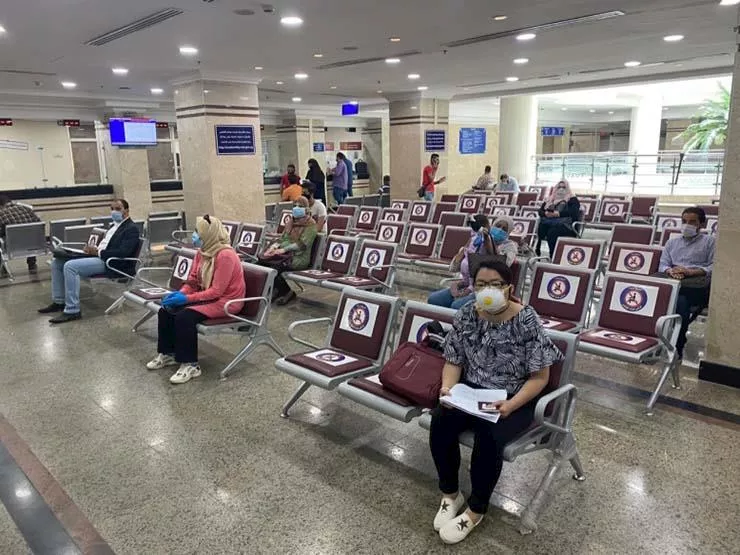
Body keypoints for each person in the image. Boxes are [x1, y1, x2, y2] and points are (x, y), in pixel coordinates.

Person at [429, 260, 562, 544]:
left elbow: (540, 378)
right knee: (440, 420)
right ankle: (450, 494)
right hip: (472, 391)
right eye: (481, 285)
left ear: (509, 288)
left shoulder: (527, 319)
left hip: (515, 395)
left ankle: (476, 509)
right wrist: (448, 389)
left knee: (489, 436)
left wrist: (511, 405)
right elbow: (454, 360)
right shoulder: (467, 313)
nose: (487, 290)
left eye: (495, 284)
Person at [147, 215, 246, 384]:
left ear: (208, 234)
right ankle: (168, 353)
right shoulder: (202, 252)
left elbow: (217, 291)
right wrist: (181, 293)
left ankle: (191, 364)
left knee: (185, 316)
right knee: (166, 310)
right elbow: (193, 280)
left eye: (197, 232)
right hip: (209, 297)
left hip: (227, 302)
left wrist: (186, 299)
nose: (194, 235)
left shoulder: (225, 255)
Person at [38, 199, 139, 324]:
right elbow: (105, 245)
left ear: (127, 211)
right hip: (99, 256)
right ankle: (59, 301)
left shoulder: (131, 228)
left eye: (118, 209)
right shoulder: (113, 226)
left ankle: (72, 310)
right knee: (57, 262)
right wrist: (90, 249)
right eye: (112, 209)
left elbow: (123, 252)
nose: (114, 212)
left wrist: (98, 252)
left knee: (70, 266)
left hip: (112, 263)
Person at [658, 206, 715, 360]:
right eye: (684, 221)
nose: (687, 225)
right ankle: (654, 339)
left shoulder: (710, 242)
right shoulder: (672, 242)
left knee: (680, 301)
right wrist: (670, 270)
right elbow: (663, 264)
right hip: (674, 279)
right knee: (667, 296)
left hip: (696, 284)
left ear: (702, 224)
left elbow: (714, 266)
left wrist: (691, 271)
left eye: (692, 222)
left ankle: (677, 345)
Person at [428, 215, 517, 310]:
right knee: (434, 299)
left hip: (488, 288)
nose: (500, 230)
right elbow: (453, 268)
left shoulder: (510, 247)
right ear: (492, 226)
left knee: (456, 306)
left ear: (508, 232)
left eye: (504, 229)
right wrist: (463, 252)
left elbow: (503, 265)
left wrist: (489, 243)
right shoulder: (476, 239)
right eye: (498, 226)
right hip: (467, 284)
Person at [259, 196, 318, 305]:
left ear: (306, 209)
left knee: (275, 268)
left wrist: (284, 249)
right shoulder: (291, 222)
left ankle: (287, 292)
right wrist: (274, 247)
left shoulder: (311, 225)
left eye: (300, 206)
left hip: (299, 257)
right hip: (285, 255)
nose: (296, 208)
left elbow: (302, 245)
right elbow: (282, 239)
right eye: (295, 205)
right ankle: (276, 290)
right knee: (262, 263)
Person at [536, 179, 580, 256]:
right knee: (541, 227)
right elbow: (540, 211)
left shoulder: (572, 199)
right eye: (559, 187)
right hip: (551, 223)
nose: (561, 189)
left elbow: (573, 212)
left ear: (567, 188)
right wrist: (546, 213)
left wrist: (558, 214)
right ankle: (537, 250)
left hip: (567, 226)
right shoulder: (551, 199)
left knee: (552, 232)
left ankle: (553, 255)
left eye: (564, 187)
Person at [0, 195, 41, 275]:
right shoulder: (27, 209)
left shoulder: (1, 213)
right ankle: (32, 264)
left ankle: (3, 266)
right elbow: (39, 223)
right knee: (30, 235)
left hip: (13, 246)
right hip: (33, 244)